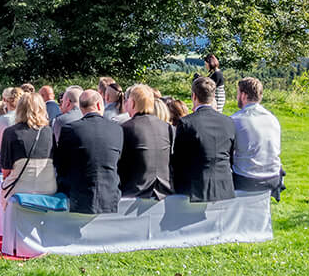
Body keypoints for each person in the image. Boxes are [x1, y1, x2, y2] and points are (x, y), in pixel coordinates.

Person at [53, 89, 124, 214]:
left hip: (77, 195)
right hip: (110, 194)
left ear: (81, 108)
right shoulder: (117, 129)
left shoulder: (69, 129)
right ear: (98, 105)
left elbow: (60, 165)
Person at [172, 74, 238, 202]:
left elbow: (179, 159)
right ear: (213, 97)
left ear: (194, 96)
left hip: (194, 188)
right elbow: (230, 155)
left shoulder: (186, 123)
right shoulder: (228, 122)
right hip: (224, 186)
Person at [230, 76, 286, 199]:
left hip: (248, 179)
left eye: (238, 93)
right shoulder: (272, 119)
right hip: (273, 177)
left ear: (243, 95)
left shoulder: (236, 120)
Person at [117, 83, 173, 198]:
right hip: (165, 191)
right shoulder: (168, 128)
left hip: (134, 192)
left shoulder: (125, 129)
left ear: (132, 103)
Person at [0, 91, 57, 200]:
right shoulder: (49, 132)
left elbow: (5, 169)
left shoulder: (10, 132)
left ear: (19, 109)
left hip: (20, 188)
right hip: (48, 187)